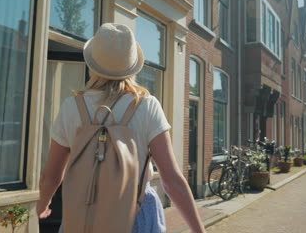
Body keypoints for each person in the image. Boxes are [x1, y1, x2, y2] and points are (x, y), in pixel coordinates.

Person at [36, 23, 206, 233]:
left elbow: (51, 176)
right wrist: (199, 230)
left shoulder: (71, 107)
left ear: (92, 64)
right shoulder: (147, 106)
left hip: (83, 217)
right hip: (135, 216)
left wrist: (43, 204)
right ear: (132, 66)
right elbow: (171, 181)